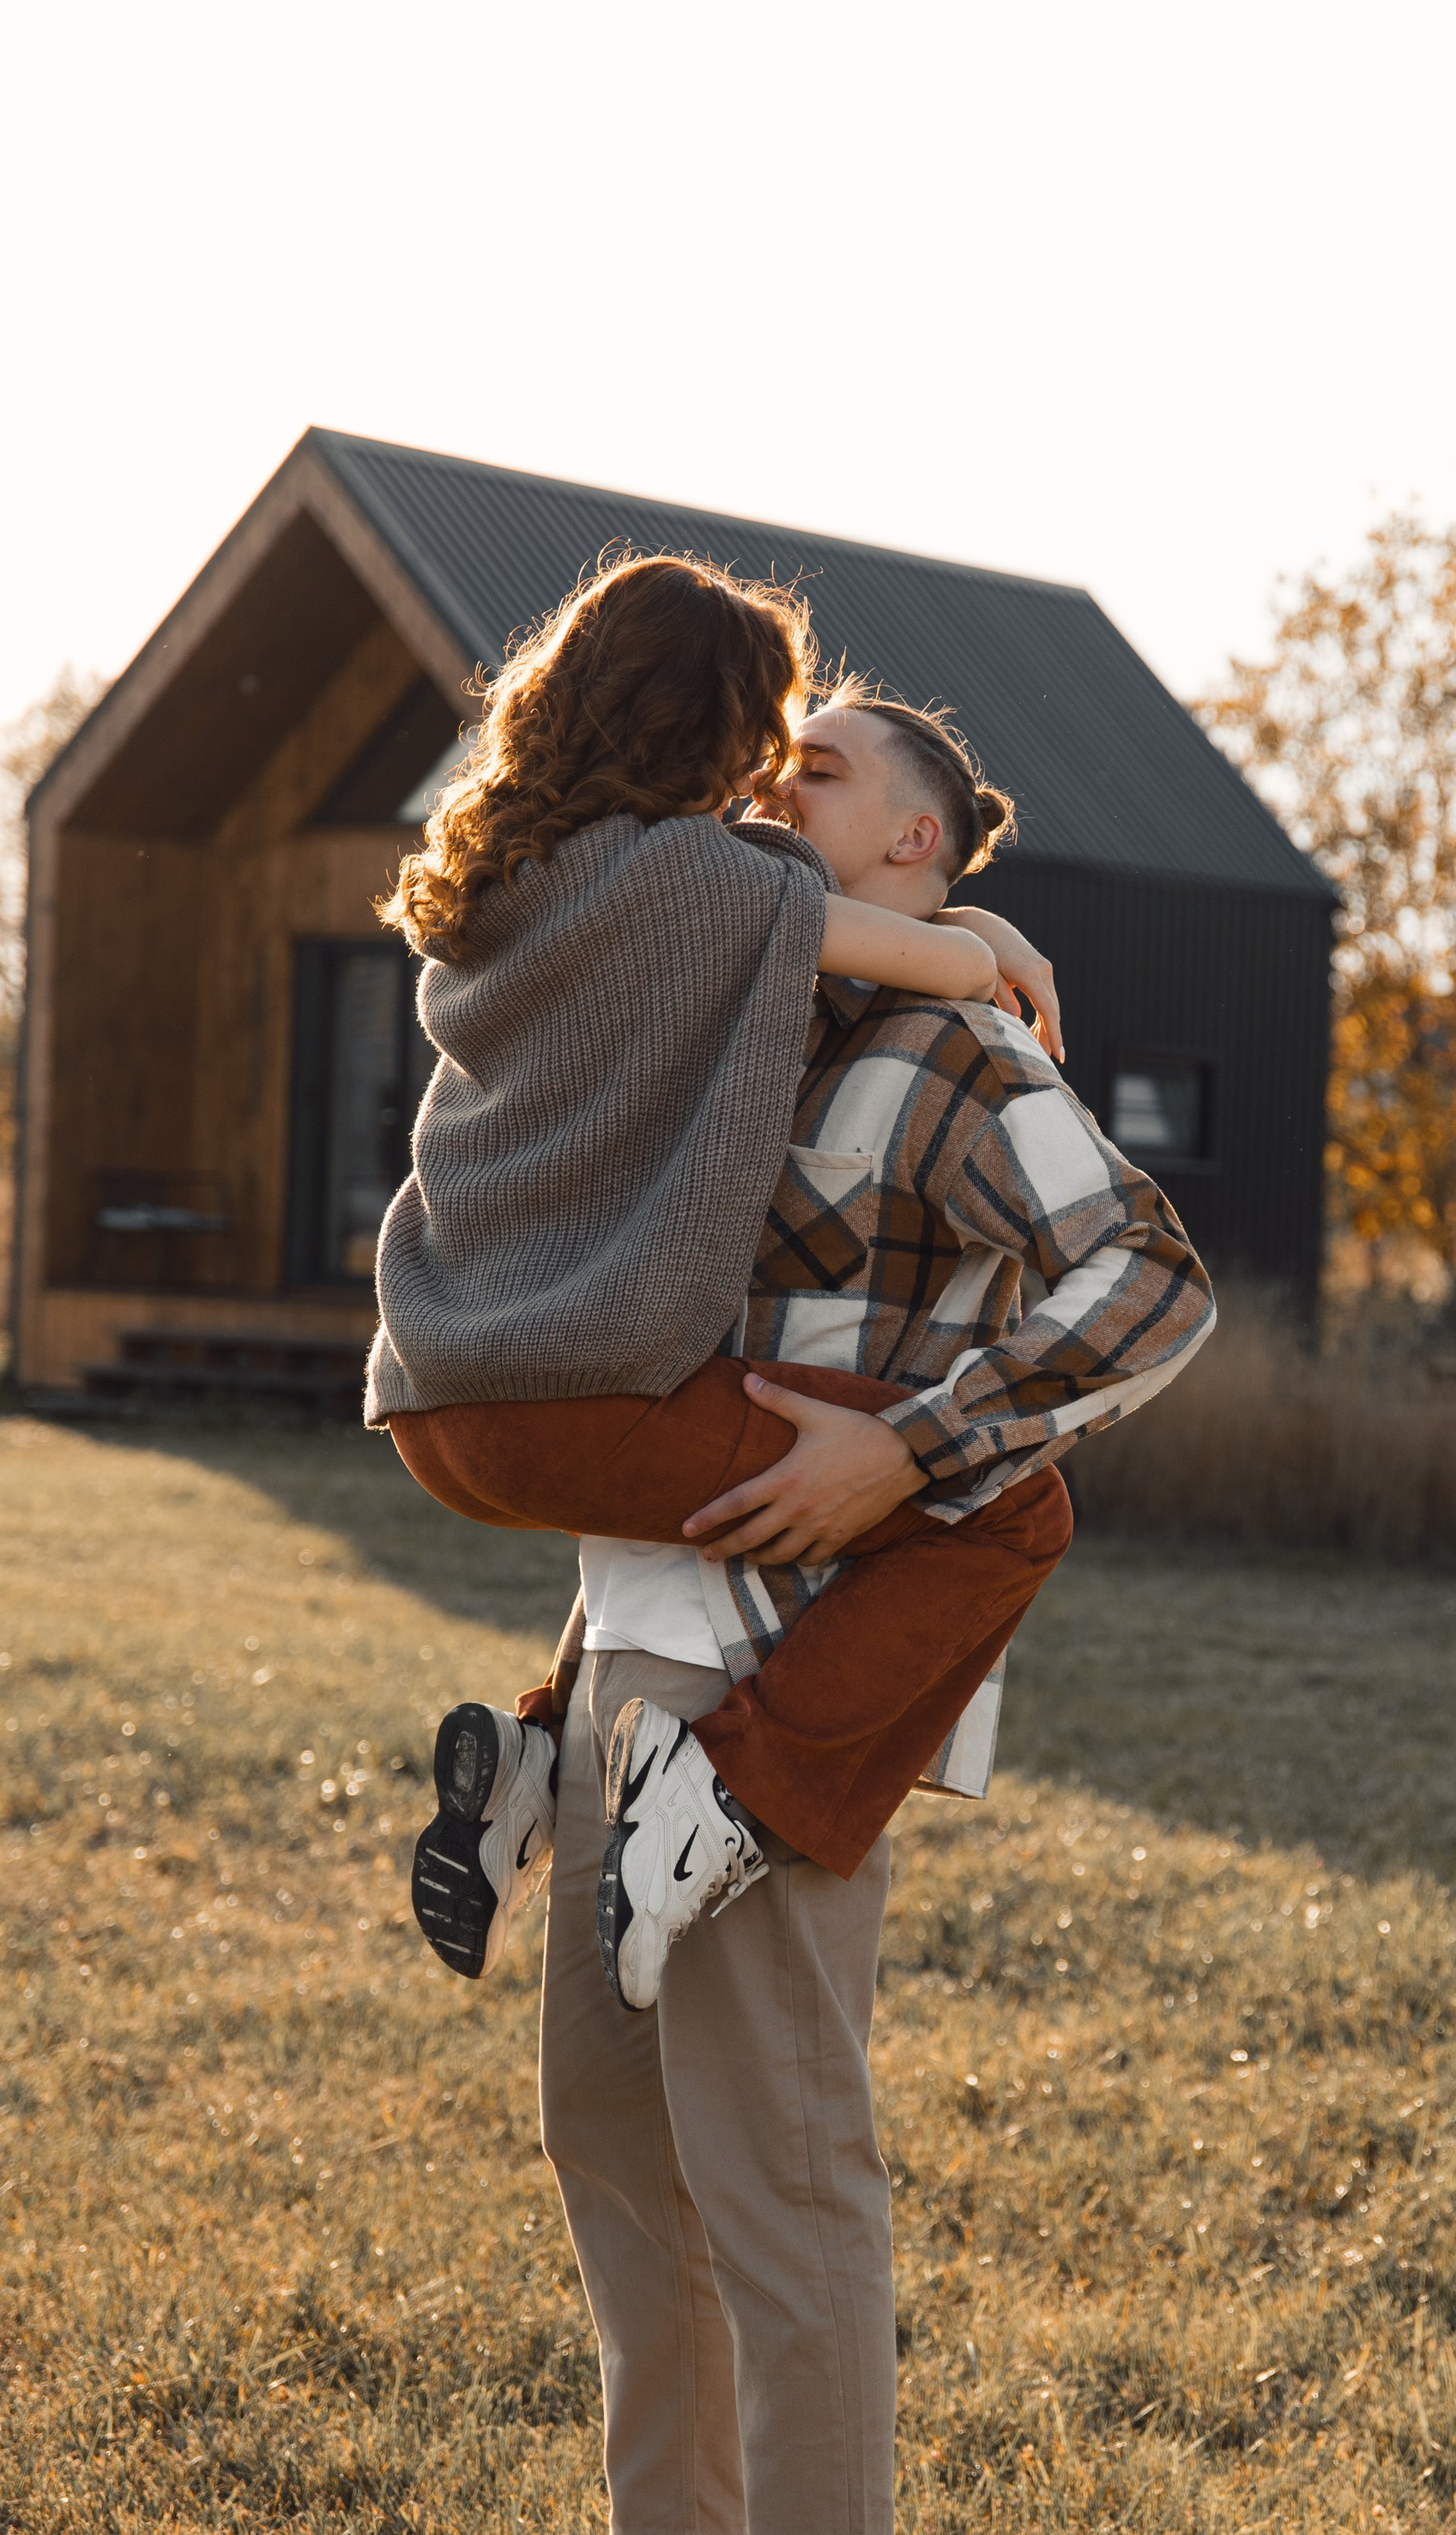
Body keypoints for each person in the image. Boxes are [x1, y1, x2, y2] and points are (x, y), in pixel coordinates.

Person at [413, 692, 1216, 2535]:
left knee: (775, 2158)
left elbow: (1148, 1285)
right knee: (612, 2133)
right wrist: (555, 1690)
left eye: (828, 765)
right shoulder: (725, 1022)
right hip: (629, 1647)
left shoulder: (953, 1050)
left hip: (790, 1680)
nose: (778, 774)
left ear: (923, 848)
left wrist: (908, 1452)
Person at [365, 555, 1072, 2006]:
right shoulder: (710, 882)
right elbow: (931, 966)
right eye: (771, 728)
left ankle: (530, 1767)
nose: (774, 769)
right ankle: (730, 1797)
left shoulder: (497, 880)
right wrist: (995, 937)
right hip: (579, 1399)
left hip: (436, 1403)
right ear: (718, 722)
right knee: (1006, 1507)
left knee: (698, 1490)